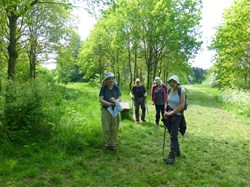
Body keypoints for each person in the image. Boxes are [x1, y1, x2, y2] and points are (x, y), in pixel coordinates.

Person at [163, 74, 186, 165]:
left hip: (177, 115)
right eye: (170, 82)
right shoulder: (169, 90)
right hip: (169, 114)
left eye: (173, 82)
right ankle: (177, 151)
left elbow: (181, 105)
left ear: (177, 83)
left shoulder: (181, 91)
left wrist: (171, 113)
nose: (172, 83)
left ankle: (171, 157)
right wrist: (165, 111)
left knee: (173, 134)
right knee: (172, 134)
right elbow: (166, 102)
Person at [99, 72, 122, 151]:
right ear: (106, 80)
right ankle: (106, 144)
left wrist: (115, 101)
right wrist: (108, 103)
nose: (111, 80)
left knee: (114, 128)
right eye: (109, 79)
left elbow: (120, 97)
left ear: (114, 79)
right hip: (106, 110)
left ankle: (113, 144)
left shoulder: (116, 87)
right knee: (106, 128)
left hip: (115, 110)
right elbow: (100, 99)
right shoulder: (103, 88)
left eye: (112, 79)